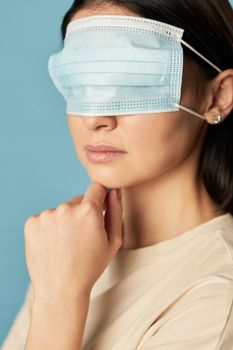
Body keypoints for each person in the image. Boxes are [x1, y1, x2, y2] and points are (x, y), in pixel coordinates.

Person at [2, 0, 233, 349]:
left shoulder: (218, 294)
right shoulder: (70, 253)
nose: (95, 118)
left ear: (217, 96)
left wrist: (60, 300)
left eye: (134, 81)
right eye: (81, 82)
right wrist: (58, 288)